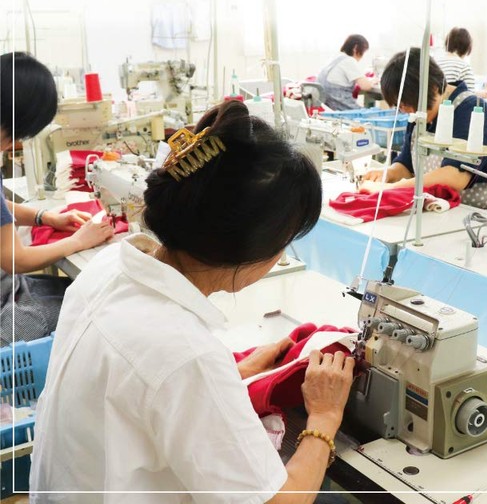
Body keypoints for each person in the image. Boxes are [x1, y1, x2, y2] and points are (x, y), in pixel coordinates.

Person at [30, 100, 355, 503]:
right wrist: (325, 416)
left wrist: (233, 374)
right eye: (284, 243)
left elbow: (138, 392)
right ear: (250, 249)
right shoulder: (186, 355)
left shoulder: (109, 267)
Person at [0, 52, 114, 346]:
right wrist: (79, 241)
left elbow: (0, 206)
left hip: (8, 289)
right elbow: (16, 260)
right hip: (4, 311)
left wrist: (44, 217)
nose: (16, 143)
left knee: (82, 289)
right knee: (99, 308)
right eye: (18, 133)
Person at [361, 49, 487, 209]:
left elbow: (455, 177)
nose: (406, 111)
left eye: (408, 104)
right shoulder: (420, 112)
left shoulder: (473, 112)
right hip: (445, 208)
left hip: (484, 213)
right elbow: (407, 164)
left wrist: (392, 188)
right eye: (400, 106)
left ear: (433, 88)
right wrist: (388, 174)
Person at [438, 27, 487, 112]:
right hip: (452, 114)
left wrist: (475, 94)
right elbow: (470, 104)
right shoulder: (464, 67)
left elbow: (449, 92)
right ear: (467, 47)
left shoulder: (437, 62)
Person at [317, 34, 375, 110]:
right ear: (355, 48)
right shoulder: (349, 60)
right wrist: (373, 82)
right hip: (338, 100)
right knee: (366, 113)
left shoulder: (337, 57)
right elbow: (366, 86)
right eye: (363, 51)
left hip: (326, 104)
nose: (362, 56)